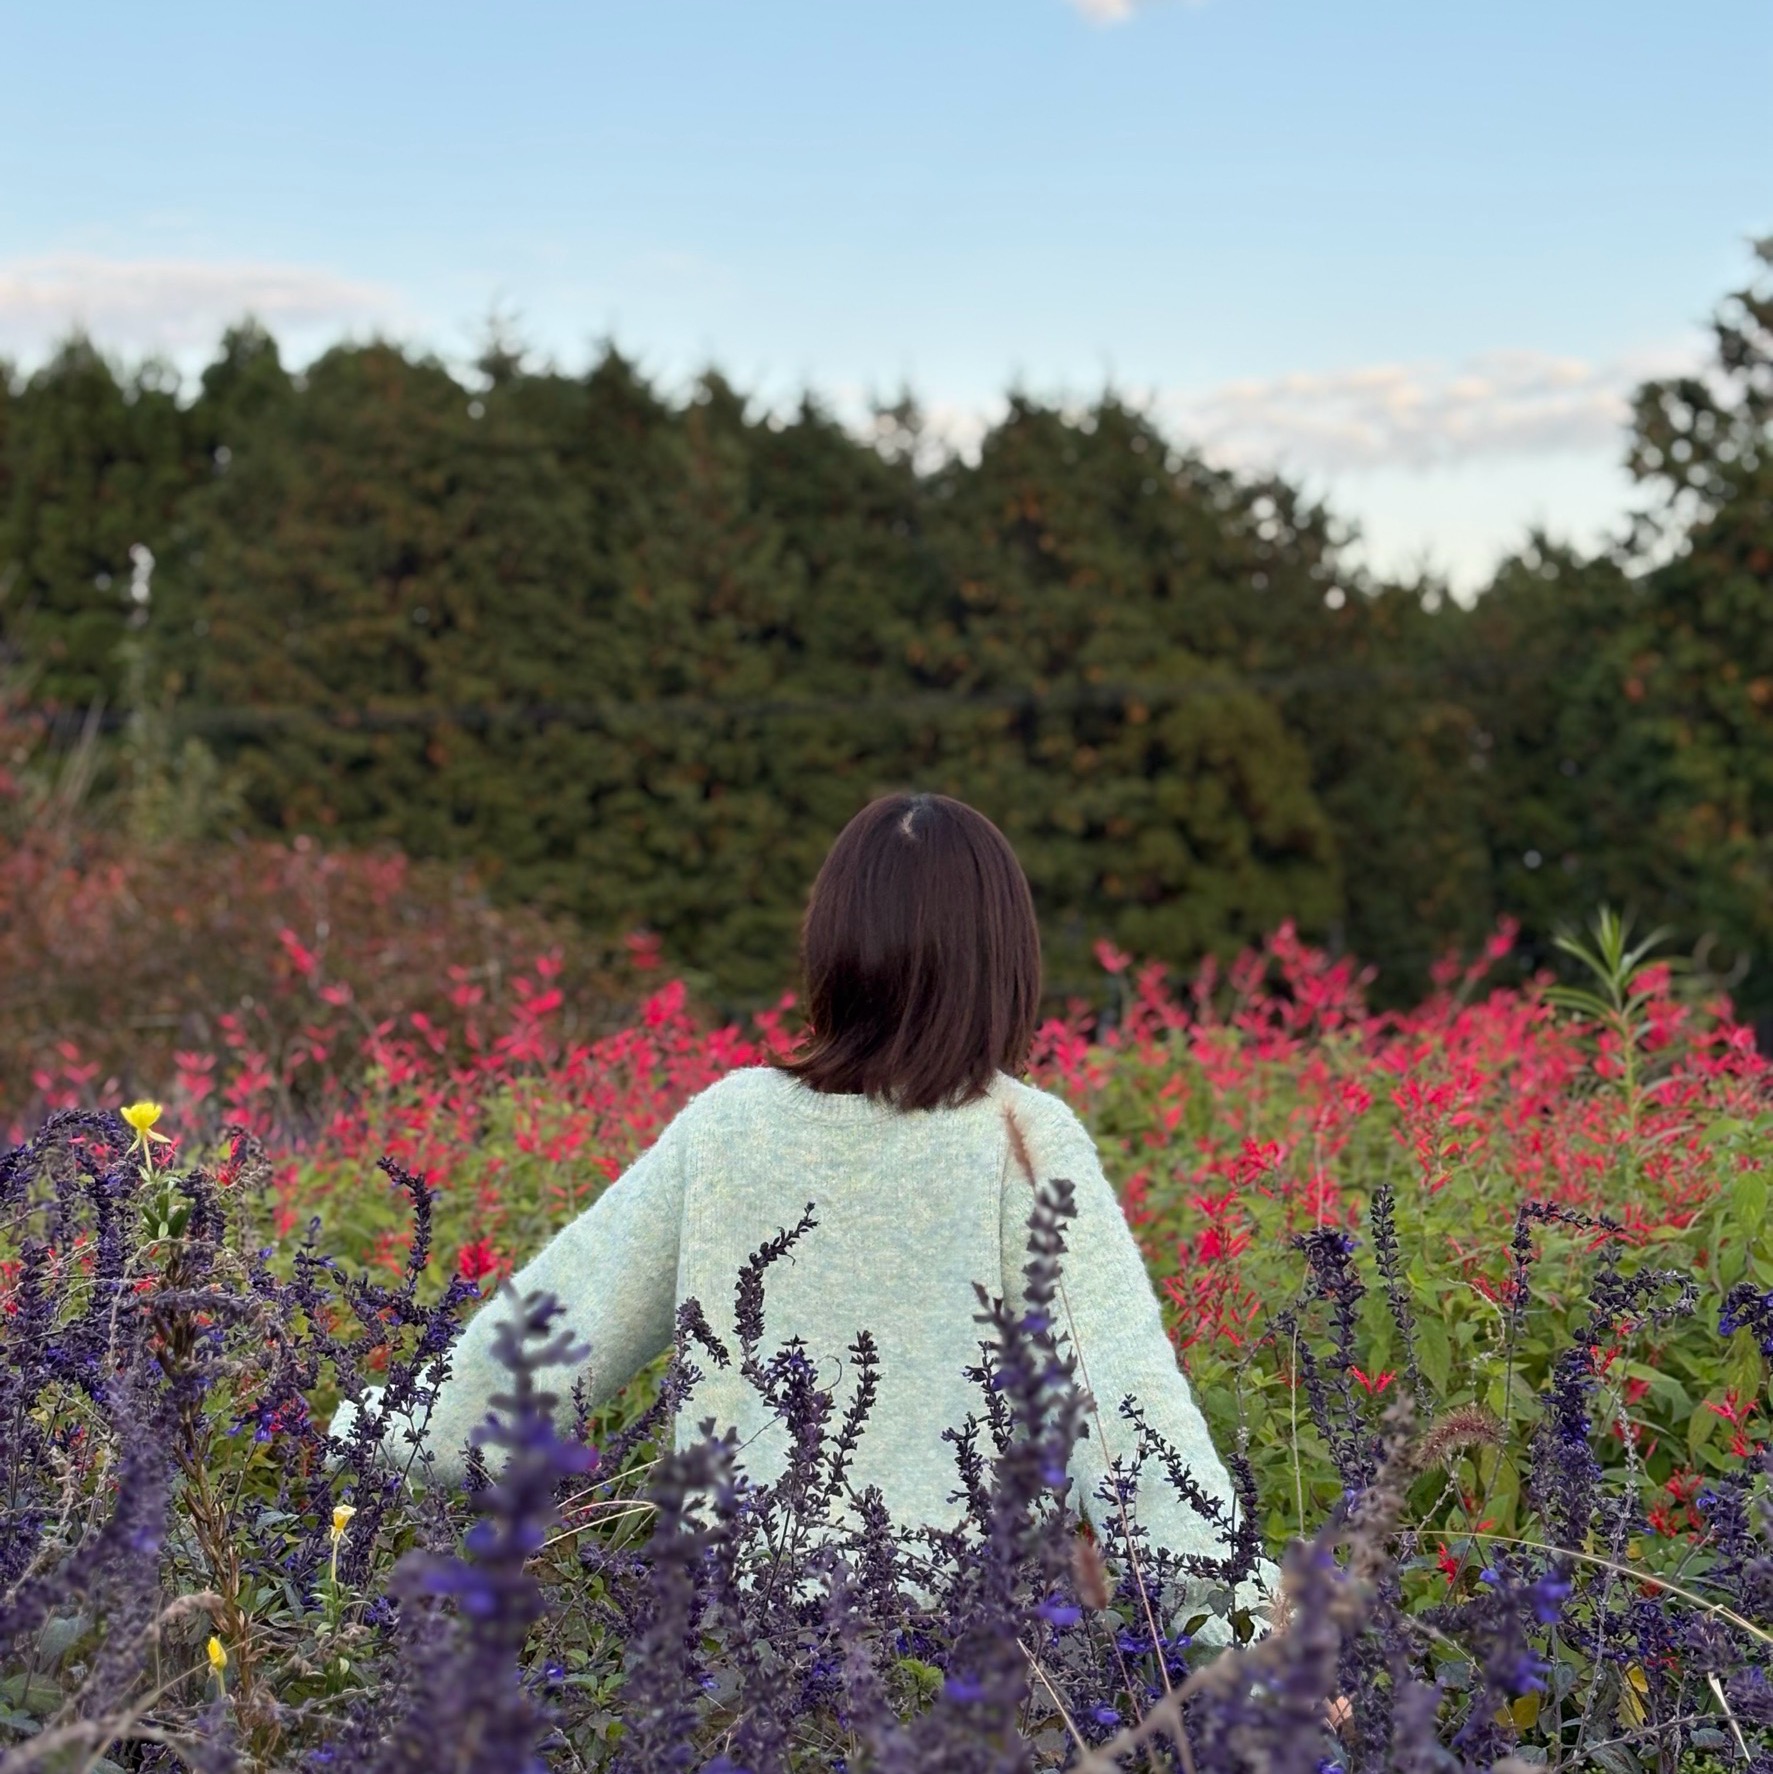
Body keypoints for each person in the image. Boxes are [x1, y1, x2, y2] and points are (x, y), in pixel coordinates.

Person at [331, 791, 1279, 1638]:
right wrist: (1243, 1619)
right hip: (956, 1662)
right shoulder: (1022, 1137)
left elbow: (551, 1337)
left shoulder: (734, 1123)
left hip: (729, 1659)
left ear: (832, 946)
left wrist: (348, 1431)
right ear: (1005, 959)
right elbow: (1122, 1409)